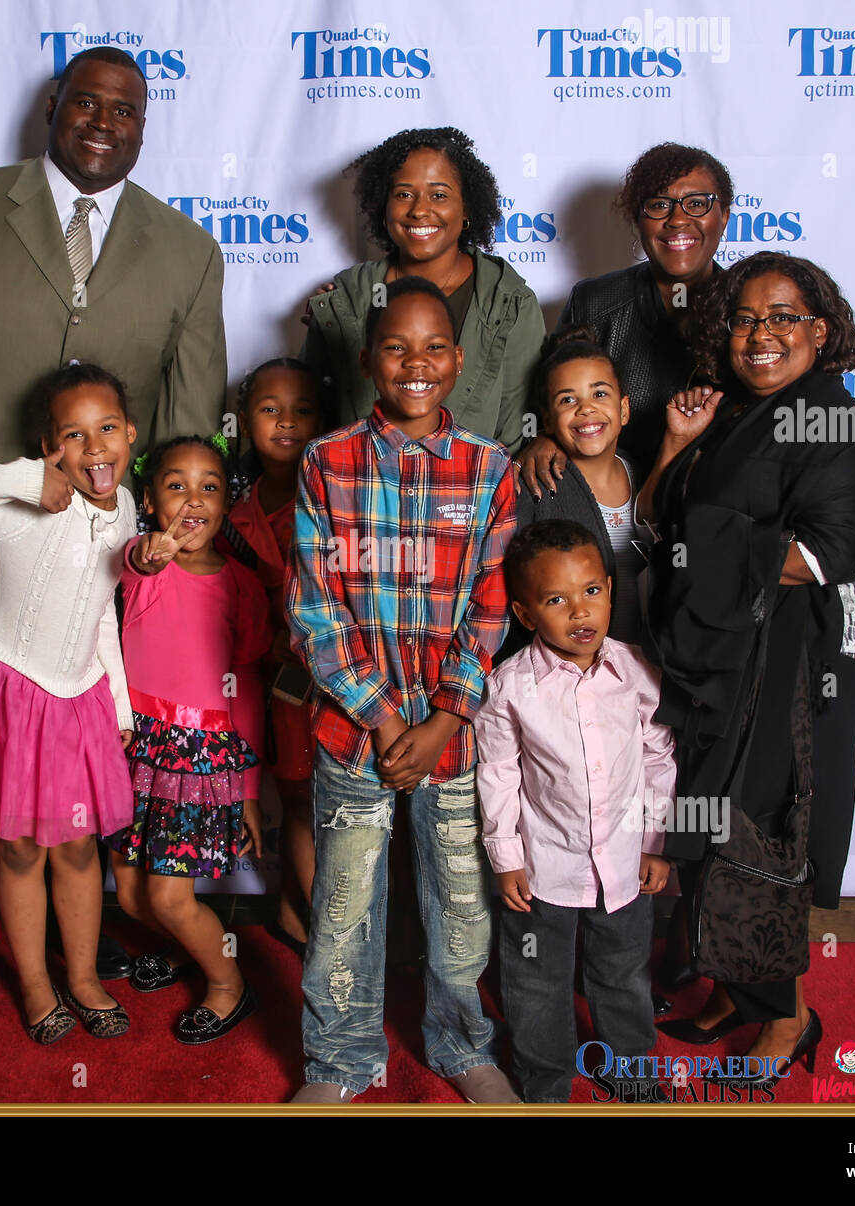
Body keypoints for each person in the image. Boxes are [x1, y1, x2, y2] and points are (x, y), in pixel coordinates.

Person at [0, 46, 226, 1014]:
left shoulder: (188, 250)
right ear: (52, 110)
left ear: (144, 127)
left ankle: (87, 945)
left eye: (126, 110)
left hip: (99, 567)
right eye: (86, 103)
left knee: (87, 757)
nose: (104, 122)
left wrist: (162, 546)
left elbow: (189, 420)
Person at [638, 252, 855, 1085]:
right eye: (745, 318)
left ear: (819, 328)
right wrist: (676, 445)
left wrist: (703, 534)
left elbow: (825, 555)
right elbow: (657, 515)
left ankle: (791, 1015)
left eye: (782, 317)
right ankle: (737, 988)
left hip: (787, 664)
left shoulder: (831, 419)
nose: (761, 334)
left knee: (765, 827)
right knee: (705, 819)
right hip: (716, 655)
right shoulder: (735, 410)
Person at [286, 276, 518, 1104]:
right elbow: (314, 609)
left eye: (432, 348)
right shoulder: (327, 460)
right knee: (344, 911)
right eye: (395, 346)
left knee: (461, 908)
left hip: (453, 739)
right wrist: (386, 721)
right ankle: (340, 1061)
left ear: (457, 360)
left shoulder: (491, 468)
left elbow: (492, 608)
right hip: (357, 734)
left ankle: (461, 1046)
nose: (414, 363)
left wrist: (448, 715)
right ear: (366, 359)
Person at [0, 363, 138, 1043]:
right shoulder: (23, 501)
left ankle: (83, 978)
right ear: (51, 448)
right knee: (17, 850)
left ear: (130, 434)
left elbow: (103, 615)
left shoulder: (126, 508)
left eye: (107, 430)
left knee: (74, 849)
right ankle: (35, 984)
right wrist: (20, 479)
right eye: (74, 435)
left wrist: (121, 707)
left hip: (78, 702)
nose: (94, 448)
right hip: (8, 691)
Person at [475, 520, 674, 1103]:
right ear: (525, 612)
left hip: (624, 866)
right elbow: (499, 774)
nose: (580, 612)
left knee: (623, 976)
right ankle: (545, 1084)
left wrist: (654, 843)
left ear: (611, 589)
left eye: (591, 591)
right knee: (537, 983)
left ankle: (632, 1076)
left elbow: (659, 759)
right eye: (556, 600)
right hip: (544, 872)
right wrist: (506, 858)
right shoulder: (509, 687)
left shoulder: (636, 672)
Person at [104, 436, 271, 1044]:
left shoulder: (242, 587)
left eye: (209, 487)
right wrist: (152, 552)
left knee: (171, 898)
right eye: (176, 486)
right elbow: (136, 559)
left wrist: (249, 791)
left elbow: (246, 690)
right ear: (148, 500)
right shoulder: (142, 570)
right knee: (127, 891)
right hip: (137, 749)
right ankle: (186, 955)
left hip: (200, 760)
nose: (192, 500)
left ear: (228, 502)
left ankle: (229, 985)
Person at [302, 126, 544, 453]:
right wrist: (327, 315)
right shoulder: (348, 298)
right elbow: (307, 416)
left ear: (466, 207)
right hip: (361, 497)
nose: (419, 209)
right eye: (403, 194)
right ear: (382, 206)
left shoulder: (508, 304)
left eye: (439, 195)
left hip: (471, 497)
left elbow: (520, 436)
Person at [519, 142, 733, 491]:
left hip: (719, 511)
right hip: (612, 501)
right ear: (638, 221)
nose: (678, 219)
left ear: (723, 215)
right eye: (659, 205)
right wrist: (547, 439)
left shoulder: (751, 311)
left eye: (696, 204)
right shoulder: (595, 303)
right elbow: (550, 398)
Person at [225, 358, 325, 957]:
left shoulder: (336, 495)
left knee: (320, 804)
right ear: (244, 422)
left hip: (327, 682)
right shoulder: (234, 510)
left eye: (303, 411)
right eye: (269, 410)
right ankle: (293, 910)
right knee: (290, 799)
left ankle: (334, 932)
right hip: (261, 682)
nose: (286, 422)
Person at [506, 328, 637, 650]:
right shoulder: (537, 487)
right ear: (547, 421)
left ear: (624, 409)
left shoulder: (640, 470)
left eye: (600, 394)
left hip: (643, 673)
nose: (585, 408)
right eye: (568, 399)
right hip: (566, 677)